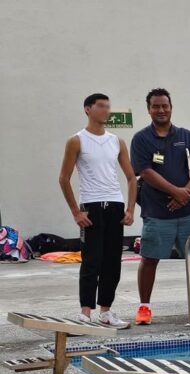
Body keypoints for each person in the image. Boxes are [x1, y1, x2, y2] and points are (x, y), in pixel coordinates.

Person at [130, 88, 190, 326]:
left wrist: (186, 193)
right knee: (150, 257)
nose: (161, 110)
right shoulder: (141, 139)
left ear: (171, 107)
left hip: (188, 209)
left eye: (165, 105)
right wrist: (176, 192)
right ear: (149, 109)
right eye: (156, 106)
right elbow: (145, 172)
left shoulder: (186, 136)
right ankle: (144, 307)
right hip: (157, 211)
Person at [58, 93, 137, 328]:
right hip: (91, 206)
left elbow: (132, 178)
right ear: (88, 109)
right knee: (91, 260)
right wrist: (75, 211)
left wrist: (130, 209)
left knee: (113, 261)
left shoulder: (117, 141)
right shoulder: (77, 140)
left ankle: (106, 311)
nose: (106, 111)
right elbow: (64, 178)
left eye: (108, 107)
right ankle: (85, 313)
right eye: (101, 106)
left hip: (115, 205)